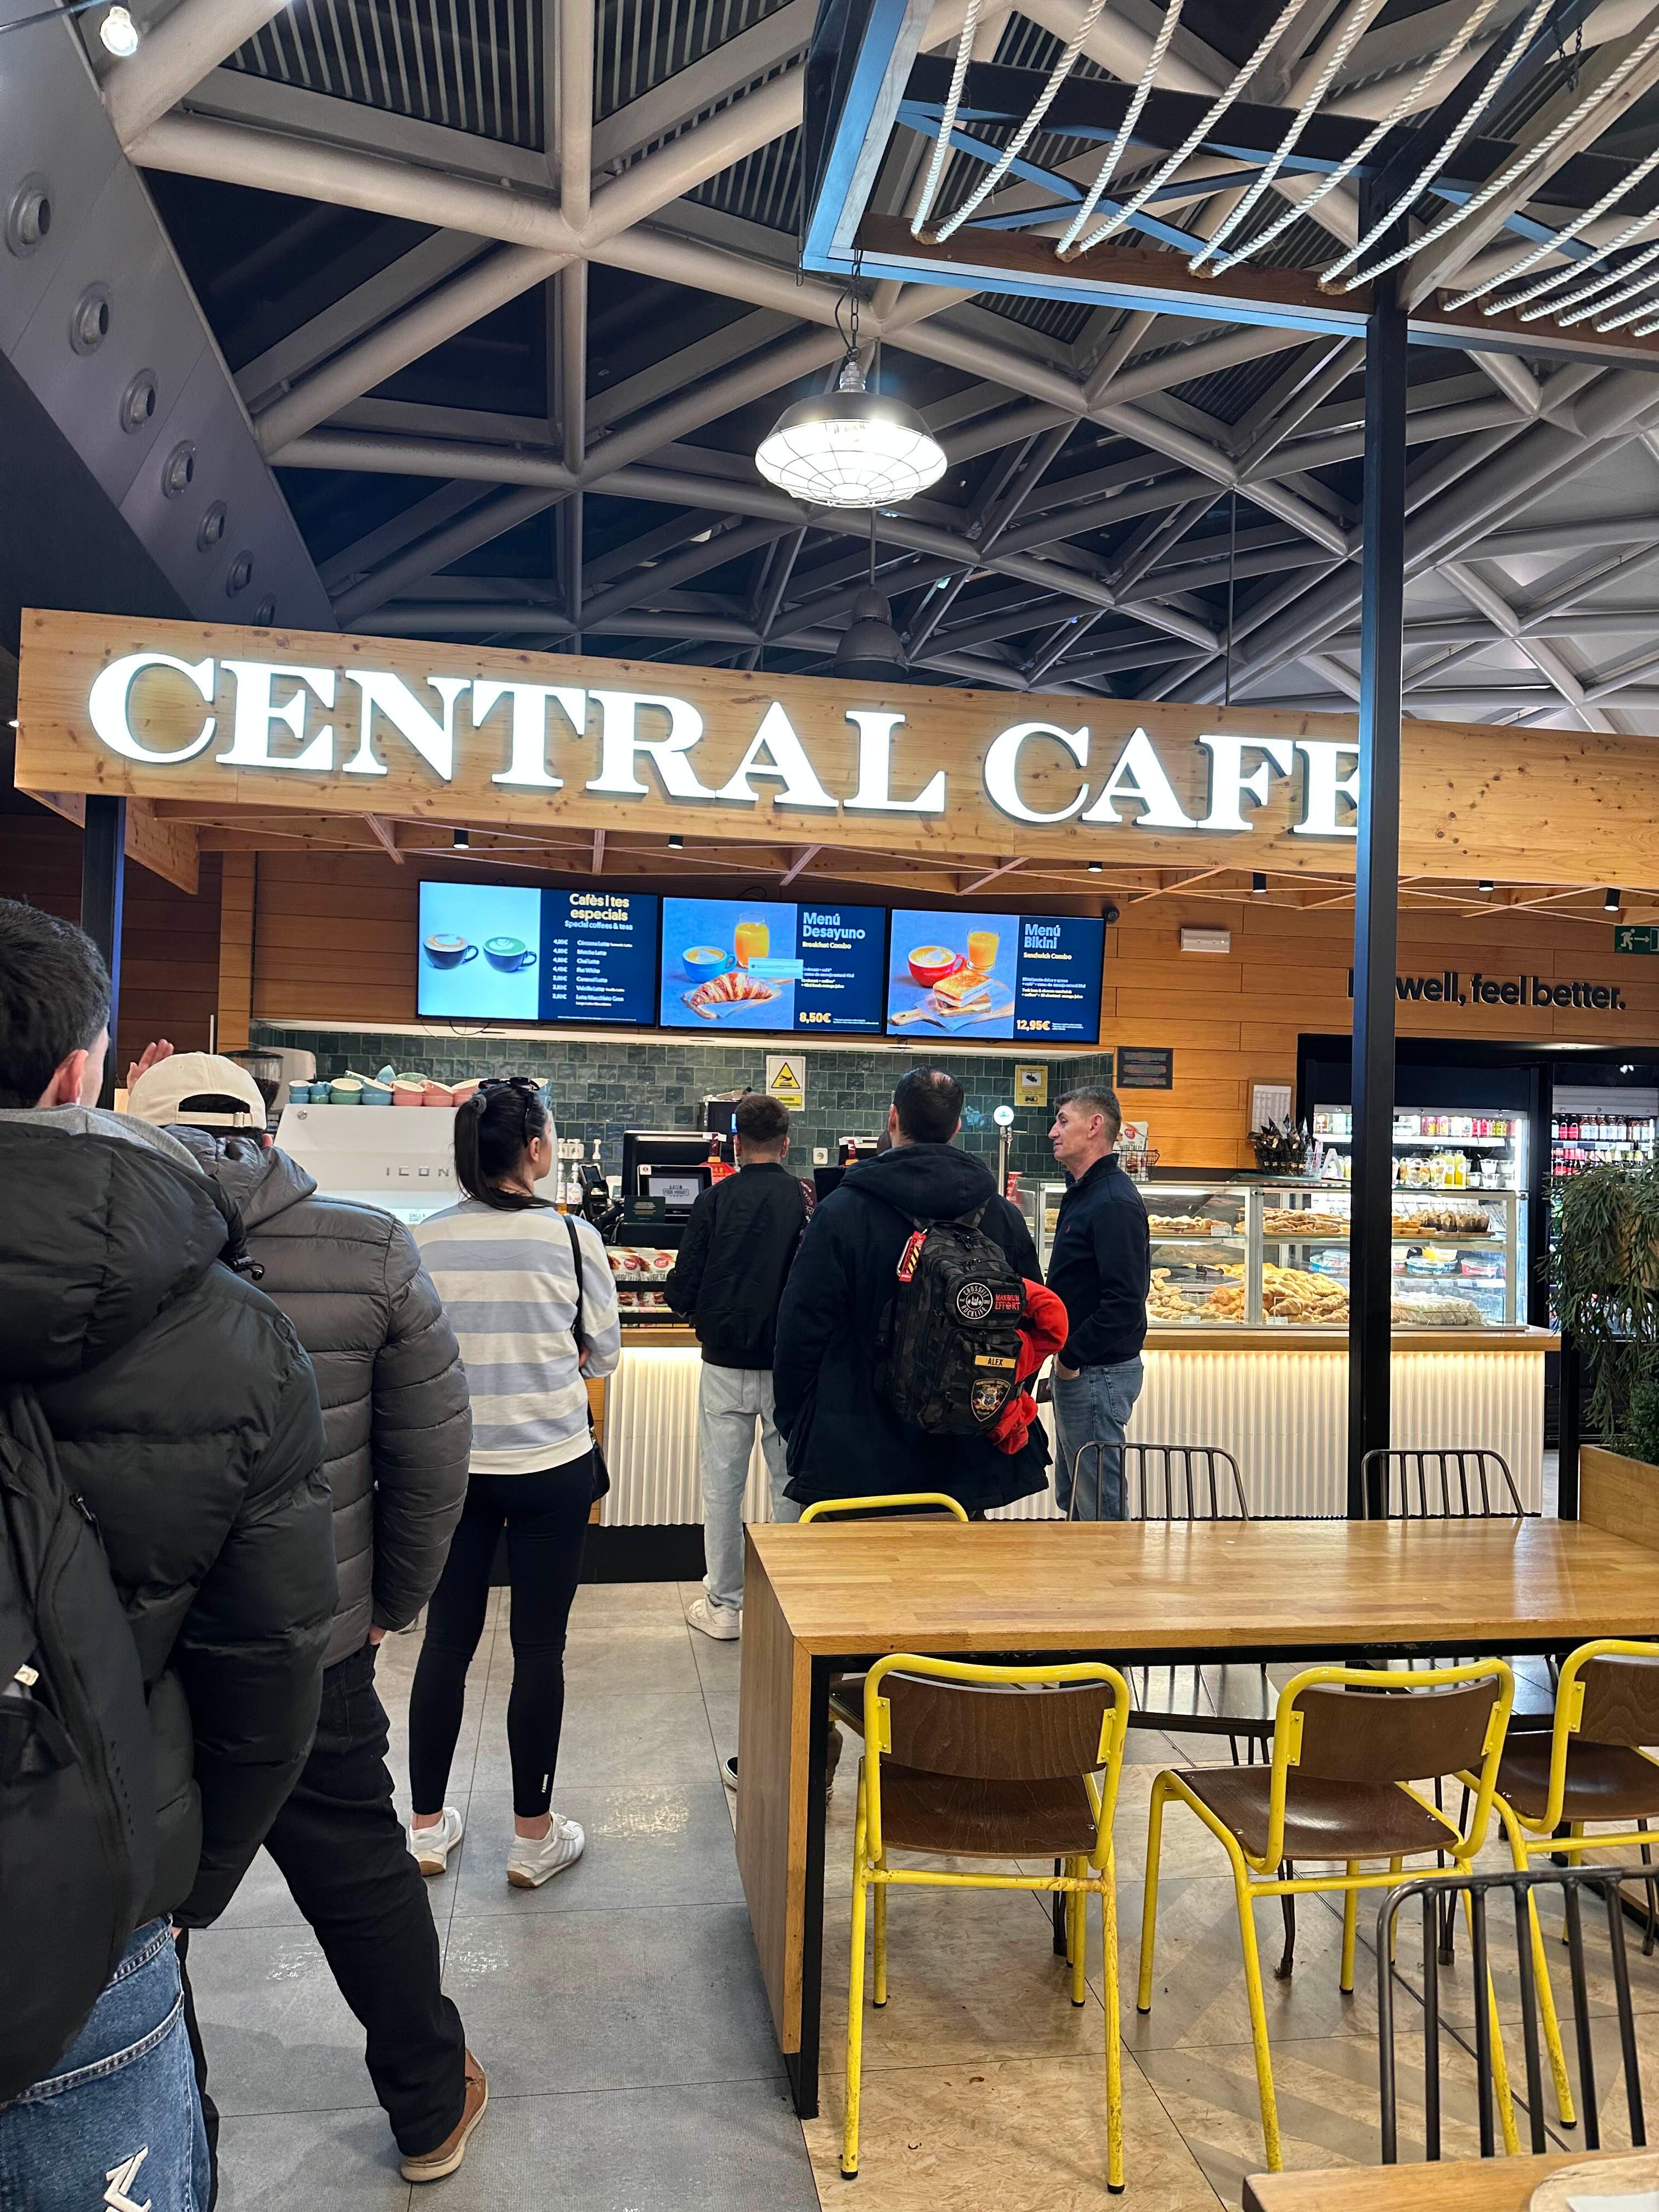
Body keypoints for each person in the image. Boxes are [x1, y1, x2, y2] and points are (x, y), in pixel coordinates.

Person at [0, 901, 335, 2212]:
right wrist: (184, 1878)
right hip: (87, 1907)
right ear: (80, 1075)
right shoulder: (229, 1331)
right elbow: (269, 1655)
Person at [126, 1048, 486, 2185]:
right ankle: (429, 2109)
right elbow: (433, 1455)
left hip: (131, 1647)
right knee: (357, 1867)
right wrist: (390, 1602)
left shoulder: (91, 1251)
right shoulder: (370, 1247)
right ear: (270, 1129)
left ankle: (173, 2137)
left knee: (146, 1893)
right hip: (310, 1636)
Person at [408, 1077, 620, 1889]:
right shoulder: (572, 1237)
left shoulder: (423, 1240)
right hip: (550, 1465)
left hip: (454, 1470)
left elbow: (414, 1359)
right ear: (533, 1149)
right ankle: (533, 1838)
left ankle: (426, 1829)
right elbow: (604, 1355)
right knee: (539, 1648)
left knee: (446, 1642)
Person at [772, 1067, 1049, 1519]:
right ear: (956, 1128)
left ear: (893, 1119)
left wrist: (799, 1423)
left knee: (853, 1564)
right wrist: (993, 1405)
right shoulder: (1003, 1216)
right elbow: (1030, 1327)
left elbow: (800, 1331)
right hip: (965, 1457)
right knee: (955, 1564)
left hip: (855, 1452)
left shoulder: (841, 1212)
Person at [665, 1093, 807, 1641]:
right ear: (786, 1144)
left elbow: (684, 1285)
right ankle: (788, 1605)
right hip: (786, 1368)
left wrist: (698, 1312)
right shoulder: (808, 1200)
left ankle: (725, 1606)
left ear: (736, 1144)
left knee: (722, 1488)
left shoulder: (714, 1200)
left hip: (723, 1365)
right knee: (789, 1485)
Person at [1043, 1086, 1150, 1520]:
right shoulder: (1086, 1192)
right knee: (1075, 1499)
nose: (1053, 1132)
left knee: (1099, 1511)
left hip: (1096, 1372)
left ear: (1094, 1126)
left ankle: (1109, 1569)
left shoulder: (1113, 1201)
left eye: (1063, 1121)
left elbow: (1125, 1303)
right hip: (1083, 1371)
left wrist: (1071, 1358)